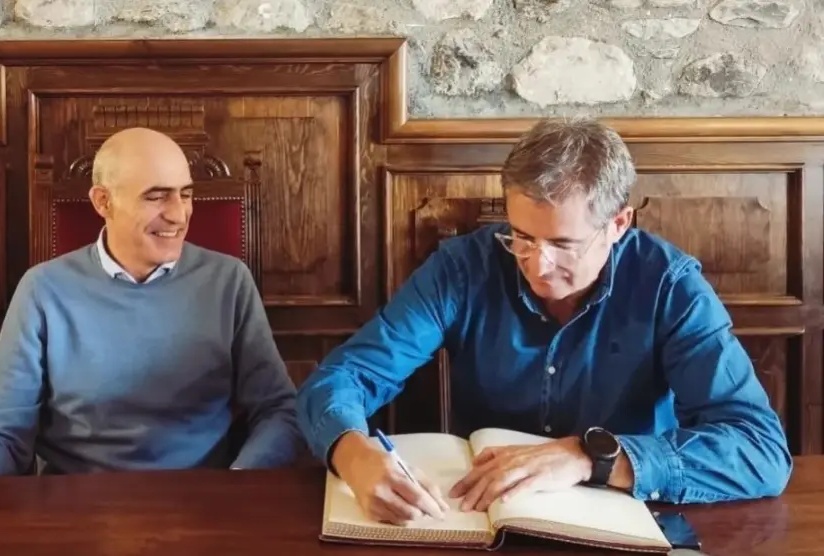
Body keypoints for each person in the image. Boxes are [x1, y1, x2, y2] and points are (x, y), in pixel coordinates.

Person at [296, 117, 792, 525]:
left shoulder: (669, 285)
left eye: (563, 244)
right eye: (521, 236)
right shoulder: (462, 269)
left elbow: (760, 451)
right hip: (482, 516)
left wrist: (591, 456)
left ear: (618, 224)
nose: (537, 264)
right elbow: (343, 377)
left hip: (626, 520)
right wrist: (353, 454)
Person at [0, 127, 302, 508]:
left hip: (202, 509)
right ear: (103, 201)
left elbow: (279, 411)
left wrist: (238, 483)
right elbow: (4, 437)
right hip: (75, 513)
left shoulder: (229, 281)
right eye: (156, 196)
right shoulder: (43, 290)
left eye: (186, 194)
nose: (179, 214)